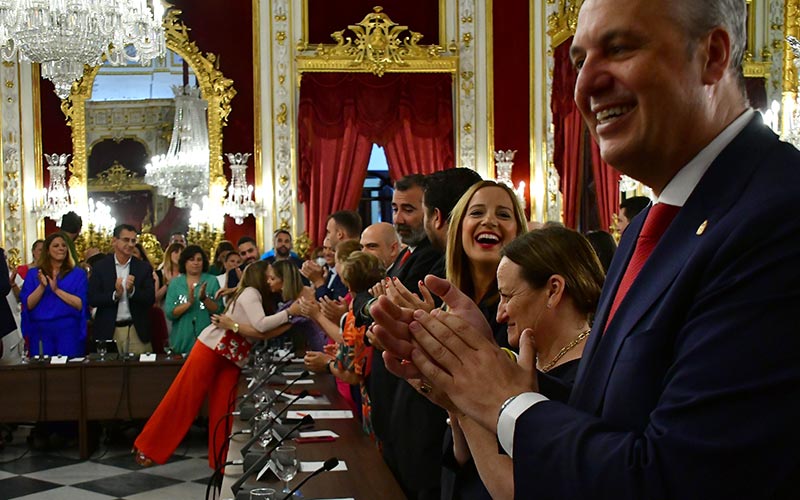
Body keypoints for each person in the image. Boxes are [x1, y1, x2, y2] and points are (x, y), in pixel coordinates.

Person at [373, 0, 800, 497]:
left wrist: (502, 400)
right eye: (579, 61)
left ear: (713, 55)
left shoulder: (777, 216)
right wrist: (478, 362)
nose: (585, 85)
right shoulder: (651, 227)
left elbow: (676, 477)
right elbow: (610, 413)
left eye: (618, 49)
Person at [441, 227, 605, 499]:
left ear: (553, 290)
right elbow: (463, 461)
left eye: (507, 296)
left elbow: (527, 485)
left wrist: (464, 398)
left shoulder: (591, 375)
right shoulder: (529, 359)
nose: (500, 314)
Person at [133, 260, 304, 469]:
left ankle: (220, 459)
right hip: (213, 348)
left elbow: (262, 332)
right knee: (184, 397)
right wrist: (289, 314)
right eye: (268, 276)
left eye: (273, 277)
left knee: (224, 409)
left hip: (231, 356)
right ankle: (147, 446)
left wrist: (290, 318)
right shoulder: (251, 292)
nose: (270, 281)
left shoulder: (252, 294)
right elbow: (261, 326)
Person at [303, 251, 385, 438]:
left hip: (372, 397)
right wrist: (342, 351)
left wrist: (327, 363)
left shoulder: (354, 314)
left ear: (348, 282)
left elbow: (352, 375)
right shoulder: (381, 303)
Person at [88, 224, 156, 355]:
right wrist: (115, 295)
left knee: (139, 372)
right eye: (126, 240)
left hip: (136, 329)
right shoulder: (100, 267)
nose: (130, 244)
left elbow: (150, 298)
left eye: (133, 240)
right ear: (114, 241)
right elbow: (92, 298)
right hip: (108, 329)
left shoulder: (143, 268)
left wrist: (132, 292)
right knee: (109, 373)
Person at [20, 233, 88, 357]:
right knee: (42, 372)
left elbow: (80, 304)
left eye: (63, 246)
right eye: (56, 246)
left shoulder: (78, 274)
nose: (61, 248)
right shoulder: (33, 274)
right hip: (41, 331)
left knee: (69, 370)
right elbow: (28, 305)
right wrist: (42, 287)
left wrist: (56, 290)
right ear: (47, 250)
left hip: (68, 330)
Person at [164, 245, 222, 354]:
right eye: (191, 259)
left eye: (199, 260)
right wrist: (189, 303)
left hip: (208, 339)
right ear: (184, 262)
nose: (196, 263)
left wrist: (204, 299)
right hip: (182, 339)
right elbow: (170, 313)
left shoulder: (212, 281)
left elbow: (219, 310)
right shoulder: (175, 283)